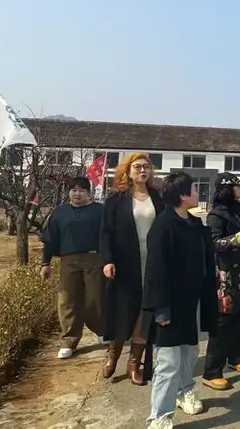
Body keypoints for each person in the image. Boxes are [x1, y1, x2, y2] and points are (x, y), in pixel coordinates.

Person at [142, 171, 218, 429]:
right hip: (170, 303)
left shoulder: (195, 224)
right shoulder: (163, 225)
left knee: (190, 351)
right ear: (183, 195)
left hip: (193, 301)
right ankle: (159, 416)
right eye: (194, 189)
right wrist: (160, 308)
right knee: (168, 361)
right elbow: (155, 270)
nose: (198, 192)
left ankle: (185, 390)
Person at [100, 152, 165, 385]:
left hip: (154, 263)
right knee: (122, 311)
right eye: (137, 166)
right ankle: (113, 354)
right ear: (127, 171)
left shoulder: (158, 197)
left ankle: (134, 363)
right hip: (125, 264)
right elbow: (105, 233)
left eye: (146, 166)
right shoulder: (116, 200)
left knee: (144, 313)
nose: (142, 170)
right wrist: (107, 260)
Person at [202, 173, 240, 391]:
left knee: (236, 316)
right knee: (223, 321)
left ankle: (235, 357)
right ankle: (211, 371)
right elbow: (214, 243)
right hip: (224, 276)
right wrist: (239, 237)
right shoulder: (216, 215)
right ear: (227, 189)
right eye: (237, 186)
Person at [40, 176, 105, 359]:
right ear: (68, 192)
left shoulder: (100, 211)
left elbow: (108, 236)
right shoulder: (60, 213)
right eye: (73, 190)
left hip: (94, 259)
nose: (77, 194)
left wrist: (110, 259)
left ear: (88, 193)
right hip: (68, 260)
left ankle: (101, 330)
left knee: (95, 298)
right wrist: (45, 263)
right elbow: (50, 239)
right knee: (68, 299)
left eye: (82, 190)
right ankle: (69, 340)